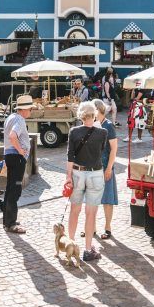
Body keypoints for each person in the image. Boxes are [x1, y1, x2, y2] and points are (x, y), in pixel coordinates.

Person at [66, 102, 108, 262]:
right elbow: (101, 150)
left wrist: (68, 177)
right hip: (95, 174)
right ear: (94, 114)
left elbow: (70, 156)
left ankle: (70, 244)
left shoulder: (73, 132)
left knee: (74, 211)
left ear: (81, 115)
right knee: (91, 214)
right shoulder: (102, 132)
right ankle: (88, 249)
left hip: (77, 172)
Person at [2, 95, 32, 234]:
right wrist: (21, 151)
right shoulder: (19, 120)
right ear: (24, 110)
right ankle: (11, 223)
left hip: (9, 155)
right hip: (17, 157)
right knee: (15, 190)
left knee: (9, 189)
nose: (31, 111)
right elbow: (12, 136)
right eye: (30, 109)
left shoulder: (11, 117)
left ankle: (7, 221)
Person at [92, 99, 119, 240]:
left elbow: (114, 149)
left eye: (92, 110)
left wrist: (109, 168)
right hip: (92, 168)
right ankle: (92, 227)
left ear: (98, 110)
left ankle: (108, 228)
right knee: (92, 200)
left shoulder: (108, 126)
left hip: (105, 167)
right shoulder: (92, 125)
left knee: (107, 199)